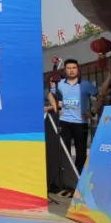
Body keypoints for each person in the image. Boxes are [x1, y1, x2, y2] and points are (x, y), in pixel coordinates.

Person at [46, 59, 96, 195]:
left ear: (78, 69)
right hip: (65, 123)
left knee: (81, 154)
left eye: (74, 67)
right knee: (65, 153)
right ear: (65, 70)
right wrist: (56, 108)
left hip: (81, 124)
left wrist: (92, 112)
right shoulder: (60, 83)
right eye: (69, 68)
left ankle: (79, 183)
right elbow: (50, 94)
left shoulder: (86, 84)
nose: (72, 70)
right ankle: (66, 183)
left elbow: (99, 96)